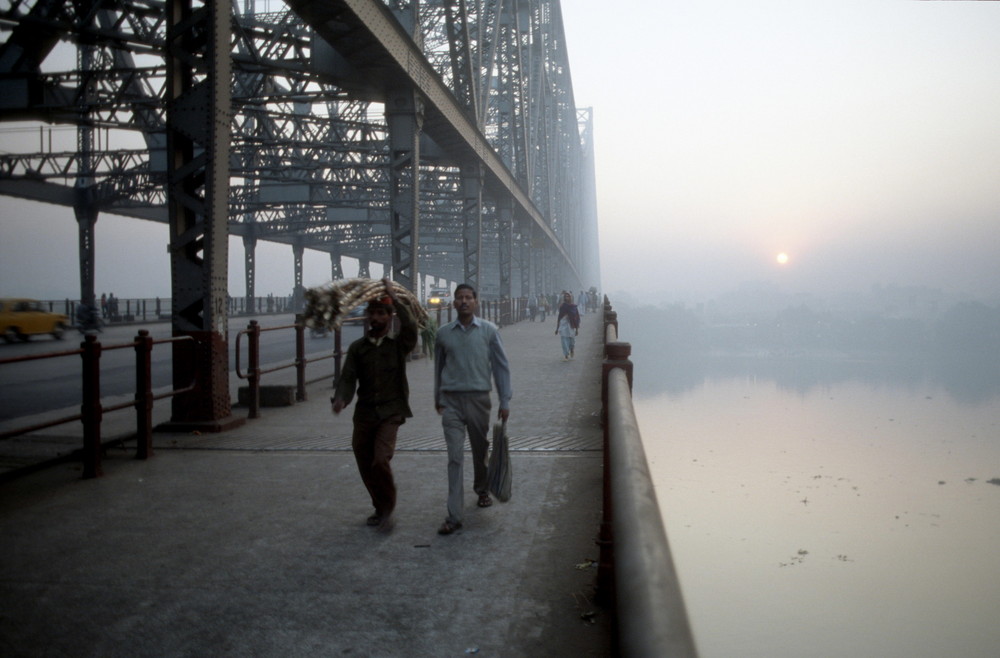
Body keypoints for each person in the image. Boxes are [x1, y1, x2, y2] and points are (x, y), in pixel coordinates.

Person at [331, 279, 418, 532]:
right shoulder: (358, 349)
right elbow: (348, 377)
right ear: (367, 316)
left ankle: (387, 507)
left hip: (391, 412)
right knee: (363, 459)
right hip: (365, 413)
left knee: (380, 460)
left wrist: (397, 301)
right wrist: (341, 398)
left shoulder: (398, 346)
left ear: (390, 317)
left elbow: (411, 327)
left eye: (382, 313)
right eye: (373, 313)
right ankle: (379, 506)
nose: (376, 317)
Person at [434, 283, 512, 535]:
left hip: (479, 400)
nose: (464, 302)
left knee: (480, 450)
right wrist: (439, 397)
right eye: (460, 298)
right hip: (452, 402)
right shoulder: (443, 334)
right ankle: (454, 515)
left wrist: (505, 401)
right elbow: (439, 368)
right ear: (454, 303)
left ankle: (482, 490)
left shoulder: (489, 331)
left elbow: (501, 367)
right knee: (455, 457)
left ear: (476, 302)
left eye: (469, 297)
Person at [555, 291, 580, 360]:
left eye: (568, 296)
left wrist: (577, 329)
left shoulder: (574, 307)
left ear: (571, 297)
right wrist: (557, 328)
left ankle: (571, 349)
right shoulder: (563, 306)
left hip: (571, 326)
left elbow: (577, 318)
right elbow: (559, 317)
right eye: (565, 296)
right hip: (563, 325)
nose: (567, 297)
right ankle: (566, 355)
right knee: (564, 340)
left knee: (572, 341)